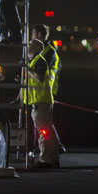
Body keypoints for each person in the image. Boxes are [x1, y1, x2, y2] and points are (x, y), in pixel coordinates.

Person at [22, 39, 59, 168]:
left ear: (37, 48)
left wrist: (27, 69)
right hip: (39, 101)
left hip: (41, 101)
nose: (28, 45)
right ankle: (50, 159)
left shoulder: (39, 61)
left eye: (31, 43)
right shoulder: (34, 61)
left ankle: (47, 160)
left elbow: (39, 77)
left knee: (44, 133)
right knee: (45, 132)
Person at [31, 24, 64, 152]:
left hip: (44, 91)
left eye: (33, 34)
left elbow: (40, 74)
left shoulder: (48, 51)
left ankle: (49, 154)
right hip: (40, 92)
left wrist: (28, 69)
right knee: (45, 125)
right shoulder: (45, 50)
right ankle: (55, 147)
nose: (31, 37)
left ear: (39, 35)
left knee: (43, 126)